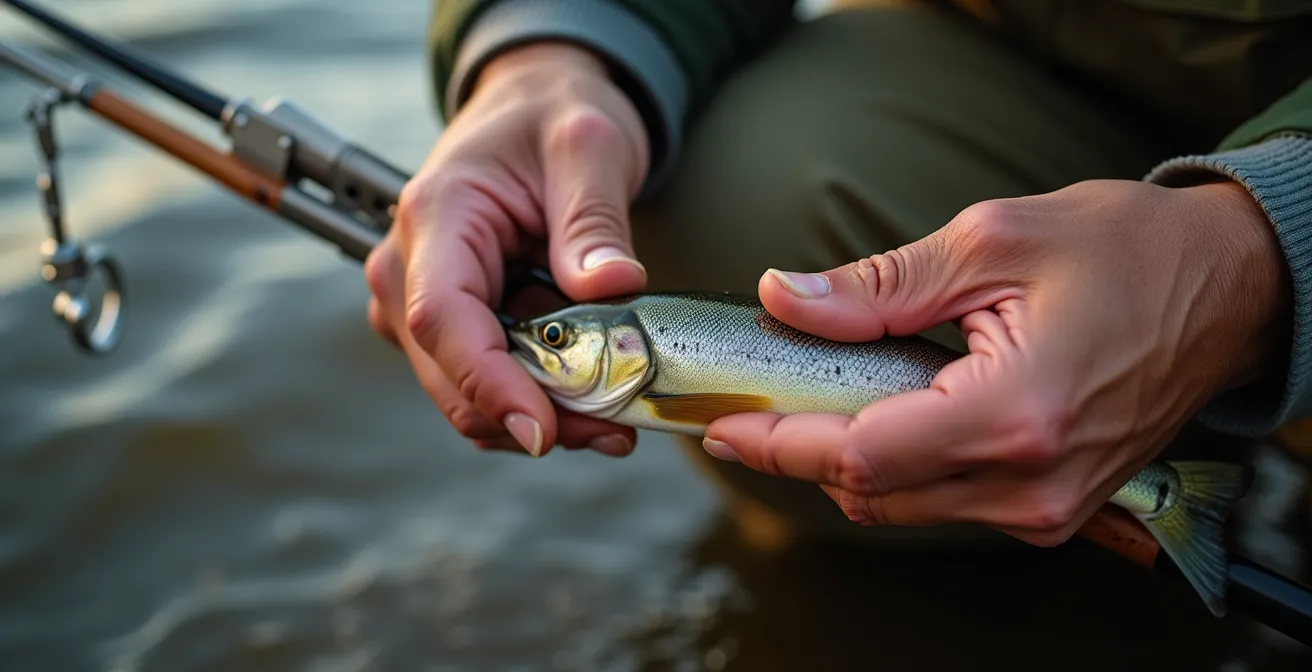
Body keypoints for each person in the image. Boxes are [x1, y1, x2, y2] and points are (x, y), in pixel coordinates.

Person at [364, 0, 1312, 547]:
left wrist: (1260, 247)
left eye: (560, 336)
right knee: (709, 184)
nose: (548, 343)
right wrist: (557, 50)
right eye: (555, 338)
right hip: (984, 58)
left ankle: (1172, 455)